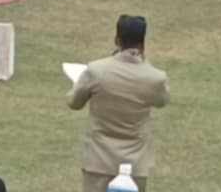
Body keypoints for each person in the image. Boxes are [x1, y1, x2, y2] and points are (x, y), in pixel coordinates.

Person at [67, 14, 169, 192]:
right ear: (143, 43)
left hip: (98, 160)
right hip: (135, 162)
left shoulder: (96, 70)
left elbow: (73, 102)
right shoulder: (155, 77)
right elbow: (162, 101)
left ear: (117, 40)